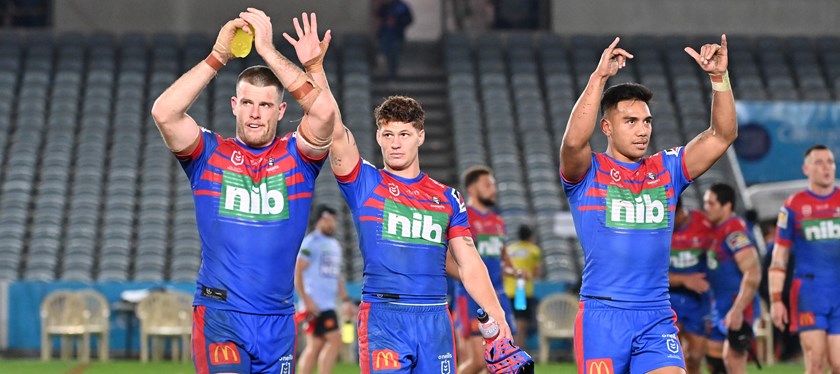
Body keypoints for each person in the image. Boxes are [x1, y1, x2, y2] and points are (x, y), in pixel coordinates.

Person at [151, 10, 338, 373]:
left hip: (277, 321)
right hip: (221, 314)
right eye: (248, 103)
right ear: (234, 106)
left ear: (281, 111)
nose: (255, 113)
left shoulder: (298, 157)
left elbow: (324, 116)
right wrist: (218, 56)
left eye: (265, 105)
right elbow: (165, 113)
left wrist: (267, 50)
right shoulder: (209, 154)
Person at [559, 35, 737, 374]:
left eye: (647, 121)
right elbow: (573, 143)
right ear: (607, 127)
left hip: (656, 316)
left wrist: (719, 78)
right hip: (603, 316)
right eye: (631, 121)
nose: (642, 130)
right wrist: (599, 78)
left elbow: (722, 136)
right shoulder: (588, 172)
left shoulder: (667, 169)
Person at [325, 93, 511, 373]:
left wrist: (498, 315)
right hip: (383, 317)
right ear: (378, 137)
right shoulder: (365, 183)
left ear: (420, 136)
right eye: (388, 134)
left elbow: (469, 262)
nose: (395, 143)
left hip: (435, 317)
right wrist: (316, 72)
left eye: (404, 134)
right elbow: (332, 125)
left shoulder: (448, 198)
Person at [769, 144, 840, 373]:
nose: (826, 167)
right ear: (806, 169)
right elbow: (779, 258)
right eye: (819, 162)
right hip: (810, 293)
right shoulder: (793, 206)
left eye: (830, 162)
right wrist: (776, 300)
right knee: (815, 363)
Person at [451, 165, 519, 374]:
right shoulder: (463, 218)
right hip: (471, 298)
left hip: (499, 296)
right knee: (479, 361)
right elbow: (448, 261)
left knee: (502, 358)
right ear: (472, 188)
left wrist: (514, 272)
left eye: (494, 185)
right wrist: (473, 282)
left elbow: (504, 259)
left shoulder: (498, 222)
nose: (493, 189)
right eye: (487, 185)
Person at [703, 183, 762, 374]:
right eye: (706, 203)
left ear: (727, 205)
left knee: (733, 359)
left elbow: (753, 272)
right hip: (719, 304)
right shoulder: (715, 229)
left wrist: (738, 309)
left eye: (711, 203)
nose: (706, 208)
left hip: (738, 304)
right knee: (714, 360)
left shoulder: (735, 231)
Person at [295, 205, 356, 374]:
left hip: (328, 304)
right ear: (318, 221)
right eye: (327, 220)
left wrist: (345, 300)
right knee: (335, 339)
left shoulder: (335, 245)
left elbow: (336, 276)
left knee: (315, 345)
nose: (331, 224)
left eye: (333, 221)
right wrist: (306, 300)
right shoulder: (311, 242)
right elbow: (298, 271)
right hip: (315, 304)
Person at [668, 198, 713, 374]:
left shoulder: (704, 224)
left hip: (698, 301)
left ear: (680, 212)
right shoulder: (657, 230)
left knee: (695, 357)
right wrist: (683, 279)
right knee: (671, 359)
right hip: (669, 300)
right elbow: (650, 274)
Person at [503, 224, 543, 348]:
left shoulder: (510, 249)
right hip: (522, 291)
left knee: (510, 320)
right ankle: (518, 348)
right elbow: (537, 273)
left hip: (508, 290)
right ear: (530, 236)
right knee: (521, 321)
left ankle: (509, 347)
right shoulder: (534, 250)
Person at [377, 0, 413, 81]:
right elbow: (379, 14)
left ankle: (392, 74)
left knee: (394, 55)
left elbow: (409, 19)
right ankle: (388, 72)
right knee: (385, 54)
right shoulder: (386, 6)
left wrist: (399, 22)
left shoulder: (402, 7)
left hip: (397, 35)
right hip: (385, 34)